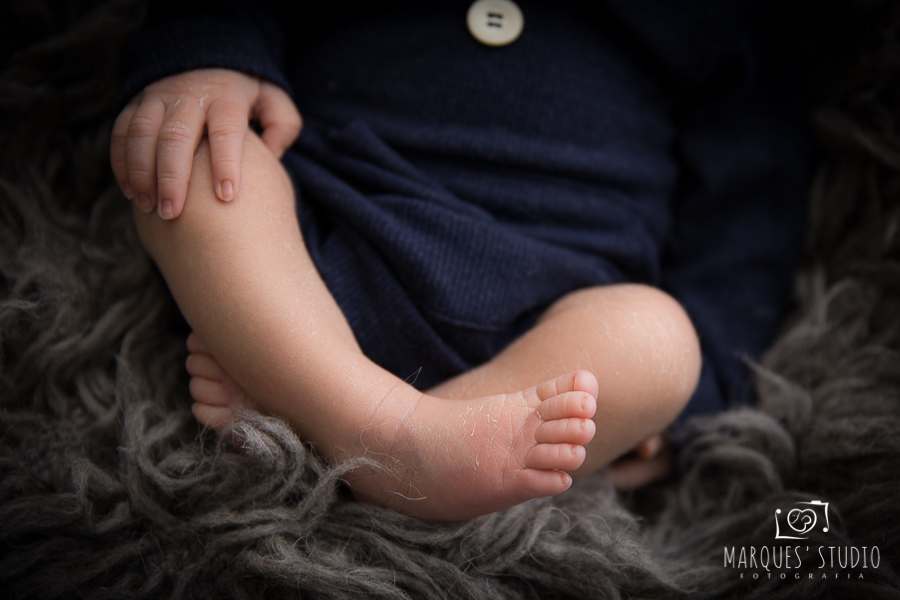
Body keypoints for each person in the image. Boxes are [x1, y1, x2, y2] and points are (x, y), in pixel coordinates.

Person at [110, 0, 808, 521]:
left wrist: (694, 408)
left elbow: (749, 216)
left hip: (549, 341)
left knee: (663, 337)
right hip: (314, 258)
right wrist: (211, 51)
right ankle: (381, 434)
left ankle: (322, 426)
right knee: (200, 154)